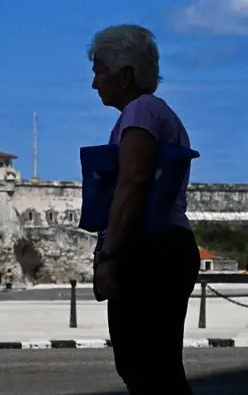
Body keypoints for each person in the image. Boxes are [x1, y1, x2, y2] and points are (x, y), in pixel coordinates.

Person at [87, 24, 200, 394]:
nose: (95, 83)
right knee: (154, 368)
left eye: (99, 71)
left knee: (147, 369)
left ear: (125, 75)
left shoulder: (141, 112)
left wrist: (109, 256)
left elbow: (133, 182)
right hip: (164, 247)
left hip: (150, 250)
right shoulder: (150, 112)